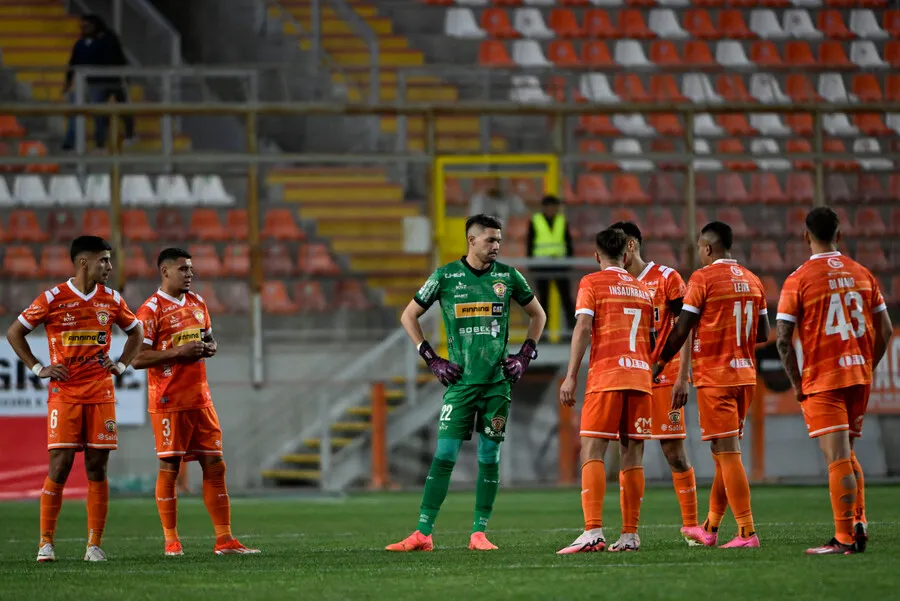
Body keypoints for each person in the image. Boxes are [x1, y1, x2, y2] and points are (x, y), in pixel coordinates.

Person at [386, 214, 547, 552]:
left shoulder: (508, 276)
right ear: (471, 241)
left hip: (496, 384)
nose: (496, 246)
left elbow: (539, 314)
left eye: (499, 240)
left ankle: (479, 533)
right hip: (460, 384)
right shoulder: (445, 277)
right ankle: (423, 534)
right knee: (444, 454)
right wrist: (431, 357)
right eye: (490, 240)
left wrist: (525, 354)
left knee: (489, 457)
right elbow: (408, 315)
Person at [5, 236, 144, 563]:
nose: (109, 267)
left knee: (97, 467)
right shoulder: (53, 298)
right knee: (61, 464)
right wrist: (39, 368)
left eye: (110, 261)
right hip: (64, 394)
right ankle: (46, 543)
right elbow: (15, 332)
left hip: (100, 393)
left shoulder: (111, 299)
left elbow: (136, 331)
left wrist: (121, 365)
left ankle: (94, 545)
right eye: (104, 261)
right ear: (84, 262)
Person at [775, 207, 893, 555]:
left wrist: (796, 383)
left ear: (805, 236)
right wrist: (868, 366)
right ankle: (859, 520)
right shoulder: (862, 274)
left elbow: (783, 339)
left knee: (837, 455)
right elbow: (884, 329)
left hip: (823, 377)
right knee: (847, 452)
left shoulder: (799, 279)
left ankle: (844, 537)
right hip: (858, 374)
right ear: (839, 235)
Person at [132, 248, 260, 557]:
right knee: (169, 467)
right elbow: (137, 358)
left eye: (191, 269)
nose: (190, 274)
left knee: (215, 466)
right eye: (183, 269)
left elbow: (207, 338)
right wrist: (178, 353)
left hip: (201, 398)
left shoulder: (198, 303)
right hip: (168, 400)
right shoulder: (150, 310)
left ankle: (225, 540)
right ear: (165, 272)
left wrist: (209, 347)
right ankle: (171, 541)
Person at [653, 221, 769, 549]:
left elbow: (682, 328)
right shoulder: (752, 279)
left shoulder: (703, 278)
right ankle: (711, 525)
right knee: (723, 453)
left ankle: (747, 531)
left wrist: (660, 363)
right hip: (745, 377)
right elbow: (762, 333)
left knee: (728, 454)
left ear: (707, 248)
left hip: (716, 378)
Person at [557, 227, 655, 554]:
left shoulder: (592, 283)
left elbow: (584, 327)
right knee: (632, 454)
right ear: (626, 255)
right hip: (641, 378)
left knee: (593, 449)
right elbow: (650, 340)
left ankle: (593, 531)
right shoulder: (643, 289)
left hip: (608, 376)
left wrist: (571, 375)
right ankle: (629, 535)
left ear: (597, 255)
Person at [609, 221, 702, 546]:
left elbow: (685, 328)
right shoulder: (614, 283)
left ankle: (692, 526)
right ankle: (629, 532)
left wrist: (682, 376)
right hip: (632, 378)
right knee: (629, 450)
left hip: (665, 378)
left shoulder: (666, 278)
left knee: (674, 452)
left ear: (630, 246)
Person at [62, 14, 136, 151]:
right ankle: (88, 142)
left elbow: (117, 59)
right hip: (93, 83)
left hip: (113, 81)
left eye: (87, 26)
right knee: (93, 111)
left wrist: (124, 78)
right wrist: (68, 82)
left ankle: (129, 135)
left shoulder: (107, 39)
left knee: (123, 110)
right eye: (82, 26)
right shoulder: (80, 44)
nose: (84, 29)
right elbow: (73, 63)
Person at [528, 195, 576, 334]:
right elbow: (530, 244)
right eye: (549, 206)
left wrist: (569, 263)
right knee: (544, 300)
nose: (552, 209)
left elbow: (568, 243)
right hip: (541, 265)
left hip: (560, 265)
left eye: (554, 207)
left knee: (566, 298)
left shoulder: (562, 221)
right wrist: (532, 265)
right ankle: (543, 333)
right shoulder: (535, 221)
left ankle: (570, 332)